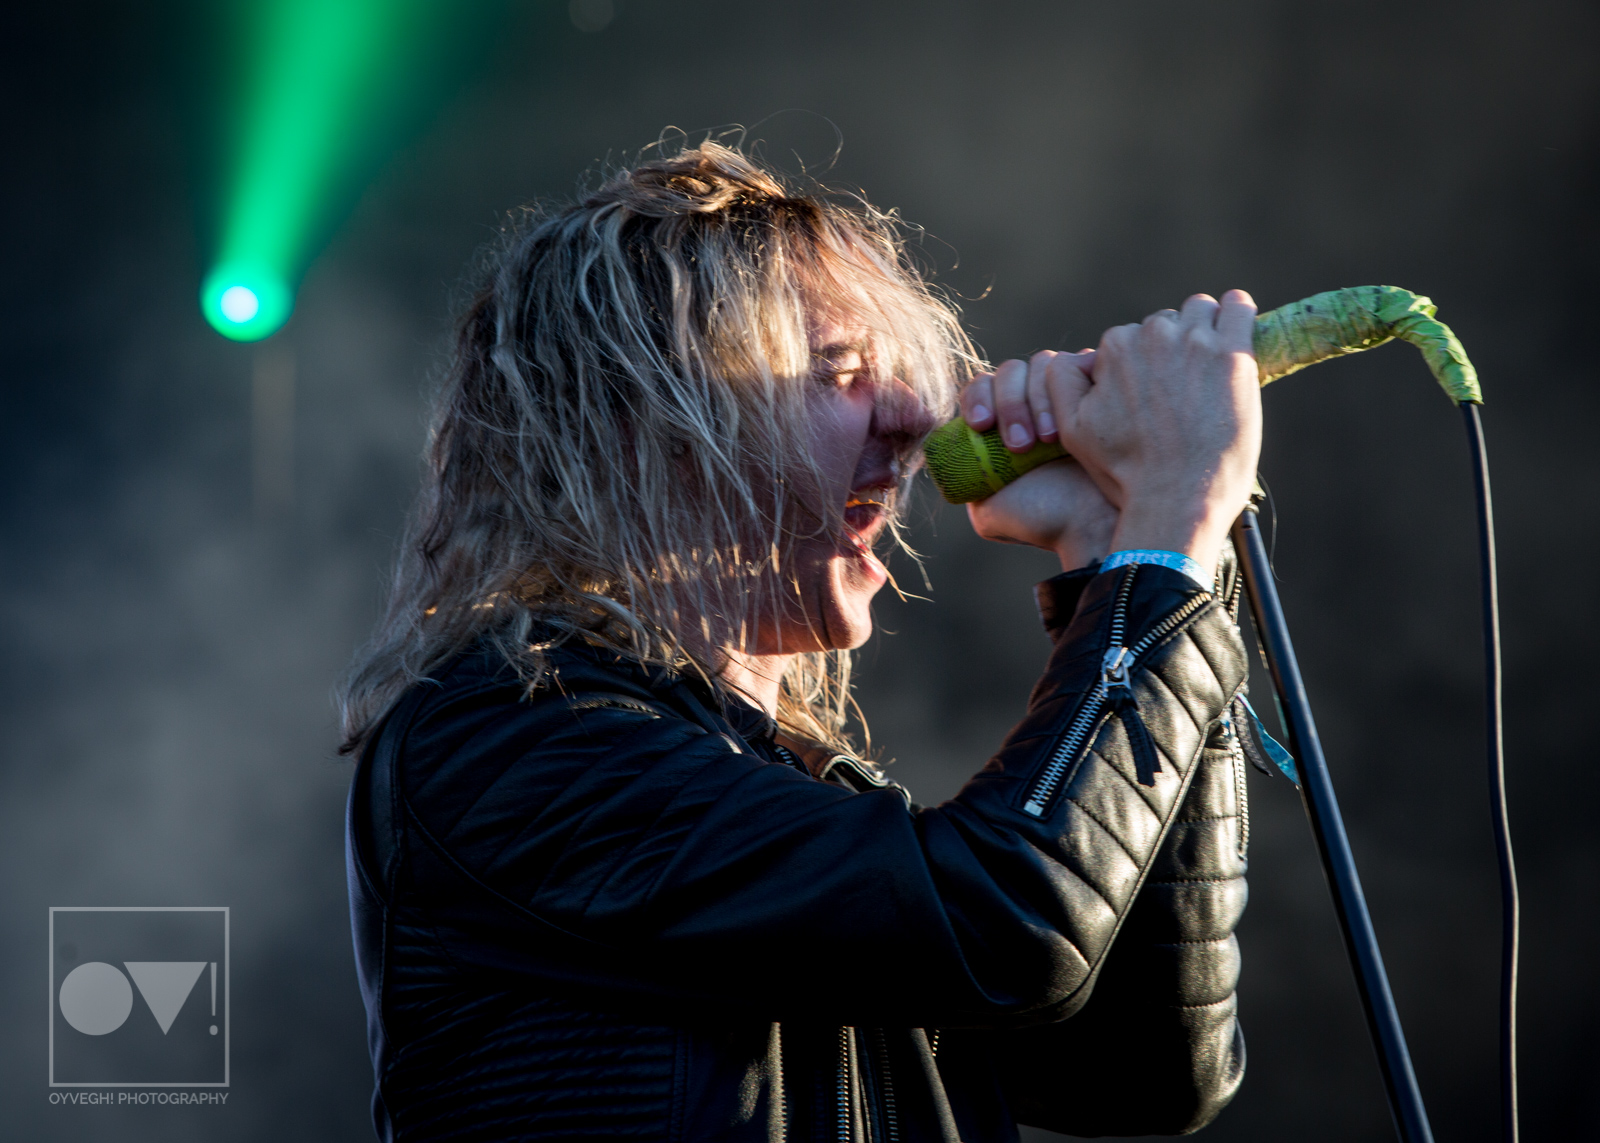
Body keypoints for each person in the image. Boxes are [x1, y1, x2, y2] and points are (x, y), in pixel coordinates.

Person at [339, 140, 1263, 1143]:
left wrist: (1112, 551)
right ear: (654, 425)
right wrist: (1165, 542)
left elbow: (1141, 1071)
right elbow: (1006, 919)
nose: (915, 421)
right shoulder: (505, 748)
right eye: (842, 373)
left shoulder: (794, 786)